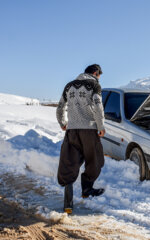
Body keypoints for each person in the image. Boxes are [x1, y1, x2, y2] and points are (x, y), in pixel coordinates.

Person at [56, 64, 106, 214]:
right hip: (89, 130)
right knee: (95, 159)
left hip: (71, 131)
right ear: (96, 73)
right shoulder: (94, 85)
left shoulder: (69, 86)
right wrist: (101, 126)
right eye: (99, 75)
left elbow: (60, 107)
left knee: (69, 163)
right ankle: (87, 189)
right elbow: (98, 106)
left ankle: (68, 204)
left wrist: (63, 123)